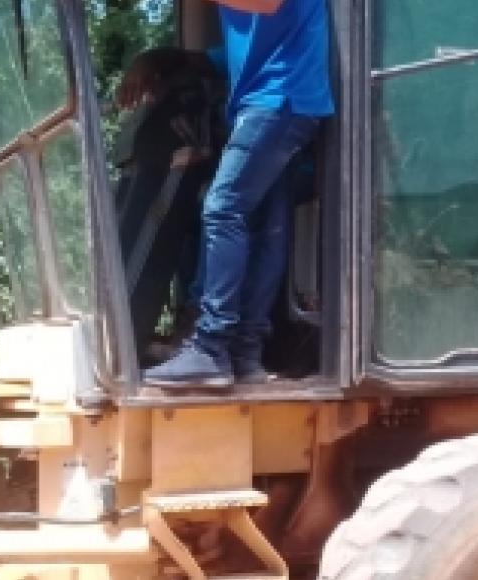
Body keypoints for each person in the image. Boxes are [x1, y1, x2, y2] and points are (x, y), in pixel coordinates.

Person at [130, 0, 334, 387]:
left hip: (279, 99)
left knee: (223, 209)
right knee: (265, 227)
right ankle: (245, 356)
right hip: (275, 99)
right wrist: (162, 58)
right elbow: (232, 51)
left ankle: (210, 347)